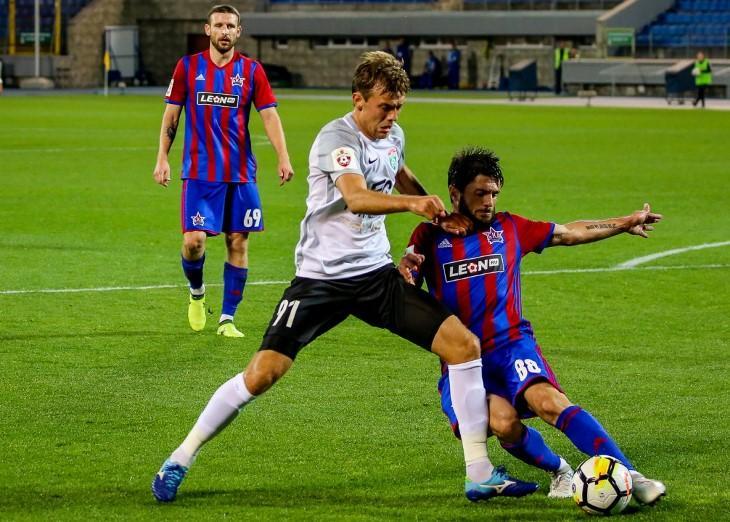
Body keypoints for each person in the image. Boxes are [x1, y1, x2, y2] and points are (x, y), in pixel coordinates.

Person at [152, 52, 538, 504]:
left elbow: (399, 170)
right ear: (358, 100)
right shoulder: (336, 138)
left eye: (398, 108)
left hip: (375, 276)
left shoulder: (393, 135)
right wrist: (414, 205)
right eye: (384, 108)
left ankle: (479, 472)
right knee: (262, 374)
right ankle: (180, 457)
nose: (392, 117)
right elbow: (356, 197)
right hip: (321, 280)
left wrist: (439, 214)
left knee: (463, 346)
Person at [399, 146, 668, 506]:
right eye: (480, 193)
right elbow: (406, 281)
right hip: (463, 361)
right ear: (454, 192)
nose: (489, 202)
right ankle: (560, 470)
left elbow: (568, 233)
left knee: (549, 401)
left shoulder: (509, 228)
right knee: (503, 423)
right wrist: (406, 272)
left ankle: (632, 476)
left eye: (494, 193)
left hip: (511, 345)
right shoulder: (429, 236)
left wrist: (624, 222)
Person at [153, 4, 294, 337]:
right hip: (200, 173)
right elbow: (171, 115)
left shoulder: (252, 71)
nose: (225, 31)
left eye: (230, 26)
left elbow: (269, 115)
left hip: (240, 174)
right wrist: (162, 157)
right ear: (208, 30)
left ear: (238, 32)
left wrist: (283, 156)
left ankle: (227, 318)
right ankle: (197, 293)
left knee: (238, 242)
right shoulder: (188, 67)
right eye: (219, 25)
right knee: (194, 242)